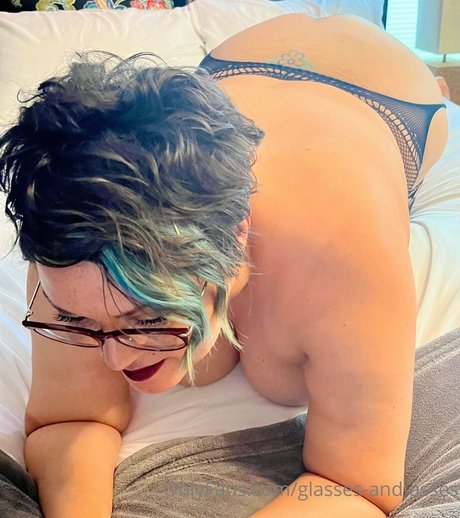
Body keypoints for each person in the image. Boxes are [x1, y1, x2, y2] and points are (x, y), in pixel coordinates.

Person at [0, 13, 448, 518]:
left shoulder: (343, 255)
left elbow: (360, 483)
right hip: (236, 65)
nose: (115, 362)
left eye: (148, 320)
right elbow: (66, 419)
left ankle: (438, 87)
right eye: (78, 320)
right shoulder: (70, 227)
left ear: (238, 233)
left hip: (384, 90)